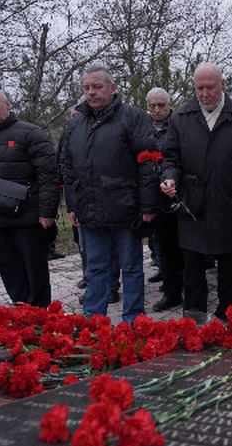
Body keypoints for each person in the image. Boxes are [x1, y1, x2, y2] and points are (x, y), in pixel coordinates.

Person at [59, 66, 158, 323]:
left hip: (126, 208)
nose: (91, 92)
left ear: (113, 88)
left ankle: (134, 321)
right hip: (90, 209)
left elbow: (147, 163)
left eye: (97, 87)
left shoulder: (133, 117)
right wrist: (73, 204)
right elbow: (68, 168)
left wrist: (148, 206)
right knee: (96, 268)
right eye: (86, 88)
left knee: (132, 268)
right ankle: (94, 321)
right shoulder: (76, 124)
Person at [160, 63, 232, 322]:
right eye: (199, 88)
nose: (205, 93)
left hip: (228, 203)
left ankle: (229, 320)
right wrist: (169, 178)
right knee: (193, 267)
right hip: (192, 205)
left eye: (210, 87)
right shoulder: (181, 118)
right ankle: (194, 320)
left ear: (223, 84)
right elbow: (169, 157)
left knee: (230, 268)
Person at [0, 87, 60, 307]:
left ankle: (40, 312)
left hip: (28, 217)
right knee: (9, 268)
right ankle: (21, 309)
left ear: (7, 104)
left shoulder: (31, 133)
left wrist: (47, 212)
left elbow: (49, 176)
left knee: (35, 269)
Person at [145, 87, 185, 313]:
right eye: (153, 106)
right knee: (165, 247)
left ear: (169, 105)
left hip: (179, 192)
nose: (157, 110)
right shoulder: (143, 128)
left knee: (186, 247)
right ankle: (172, 292)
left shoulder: (179, 124)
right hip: (156, 195)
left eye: (162, 105)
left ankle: (190, 286)